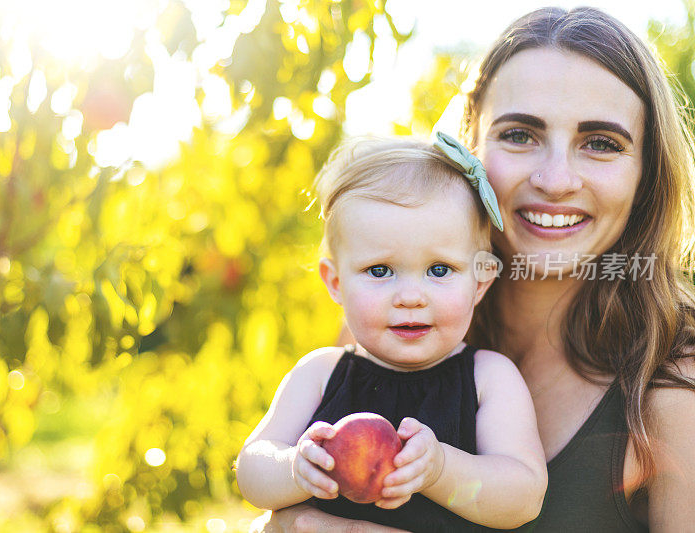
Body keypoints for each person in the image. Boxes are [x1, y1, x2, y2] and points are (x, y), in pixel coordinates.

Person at [257, 6, 695, 532]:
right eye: (519, 135)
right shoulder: (395, 326)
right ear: (469, 151)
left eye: (601, 143)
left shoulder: (674, 383)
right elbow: (277, 493)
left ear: (646, 174)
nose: (556, 180)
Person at [236, 135, 547, 531]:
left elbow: (524, 497)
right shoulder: (321, 373)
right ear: (335, 283)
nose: (411, 297)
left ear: (481, 280)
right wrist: (293, 467)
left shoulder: (489, 377)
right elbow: (251, 468)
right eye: (380, 271)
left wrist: (440, 470)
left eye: (439, 270)